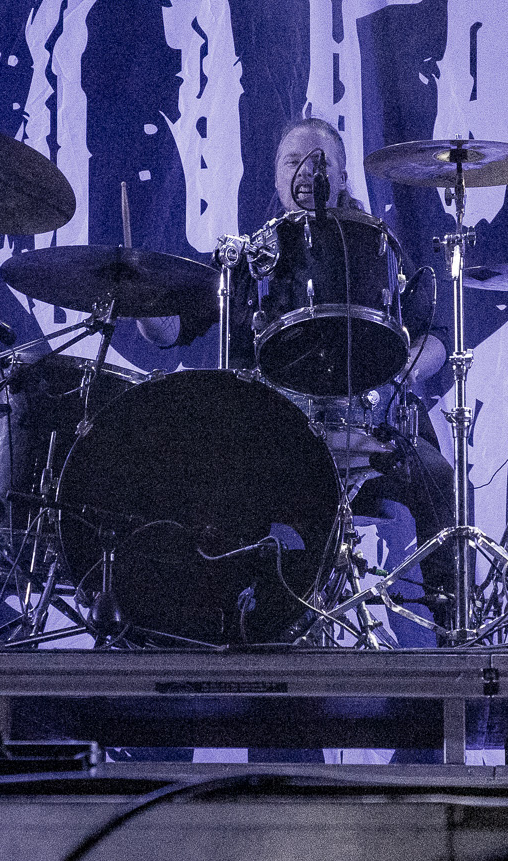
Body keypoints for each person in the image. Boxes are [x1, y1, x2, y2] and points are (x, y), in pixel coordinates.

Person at [142, 116, 457, 629]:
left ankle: (452, 627)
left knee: (436, 475)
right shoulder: (248, 260)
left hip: (367, 434)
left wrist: (398, 372)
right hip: (273, 442)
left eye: (321, 161)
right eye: (294, 161)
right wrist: (140, 296)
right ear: (276, 176)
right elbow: (171, 329)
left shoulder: (378, 250)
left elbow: (435, 336)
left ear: (343, 175)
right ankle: (231, 627)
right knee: (211, 478)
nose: (308, 171)